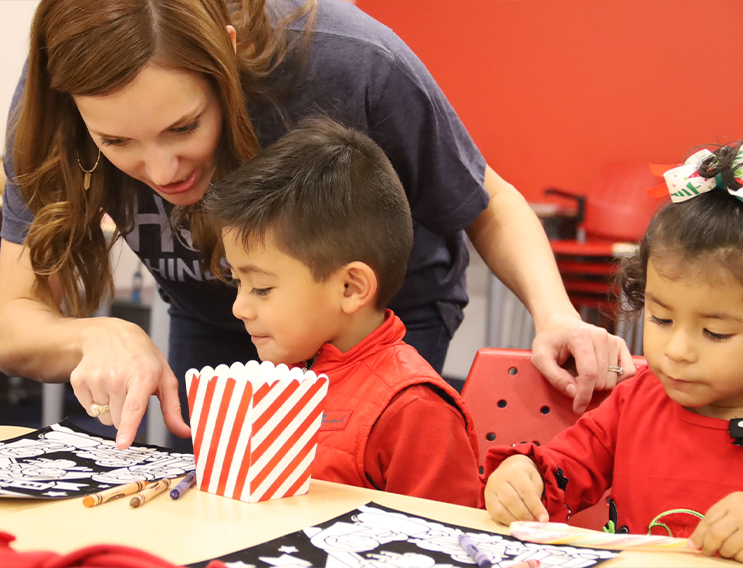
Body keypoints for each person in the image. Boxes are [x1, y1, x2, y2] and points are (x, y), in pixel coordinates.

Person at [0, 0, 632, 451]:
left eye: (183, 127)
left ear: (229, 52)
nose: (160, 171)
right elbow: (10, 311)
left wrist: (555, 316)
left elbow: (485, 198)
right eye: (116, 141)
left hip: (377, 320)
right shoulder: (58, 95)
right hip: (217, 314)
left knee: (359, 485)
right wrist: (91, 336)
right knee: (218, 494)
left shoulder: (351, 60)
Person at [481, 141, 743, 561]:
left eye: (715, 332)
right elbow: (561, 473)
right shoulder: (635, 402)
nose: (676, 350)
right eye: (660, 319)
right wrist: (521, 478)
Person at [204, 117, 480, 506]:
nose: (239, 307)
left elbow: (444, 543)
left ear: (350, 288)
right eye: (237, 282)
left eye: (262, 288)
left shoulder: (415, 410)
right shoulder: (287, 373)